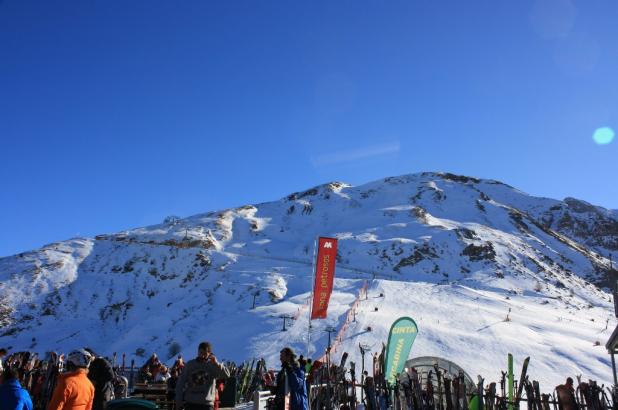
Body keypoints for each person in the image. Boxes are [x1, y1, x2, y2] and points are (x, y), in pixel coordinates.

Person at [175, 342, 230, 410]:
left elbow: (226, 375)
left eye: (205, 354)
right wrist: (178, 401)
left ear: (209, 354)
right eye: (201, 353)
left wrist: (217, 363)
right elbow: (180, 383)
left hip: (206, 404)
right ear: (198, 352)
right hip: (190, 403)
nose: (202, 356)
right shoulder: (190, 365)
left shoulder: (213, 365)